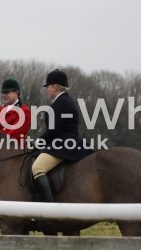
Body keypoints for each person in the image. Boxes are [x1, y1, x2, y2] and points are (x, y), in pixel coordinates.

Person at [32, 69, 93, 202]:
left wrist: (38, 142)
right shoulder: (64, 101)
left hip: (63, 144)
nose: (47, 90)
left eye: (48, 87)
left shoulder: (62, 103)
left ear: (55, 86)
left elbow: (54, 131)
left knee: (37, 167)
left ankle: (49, 207)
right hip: (63, 142)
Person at [0, 78, 31, 147]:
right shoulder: (0, 110)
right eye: (3, 93)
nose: (4, 95)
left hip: (15, 151)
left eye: (7, 92)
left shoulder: (25, 111)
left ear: (16, 93)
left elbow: (14, 135)